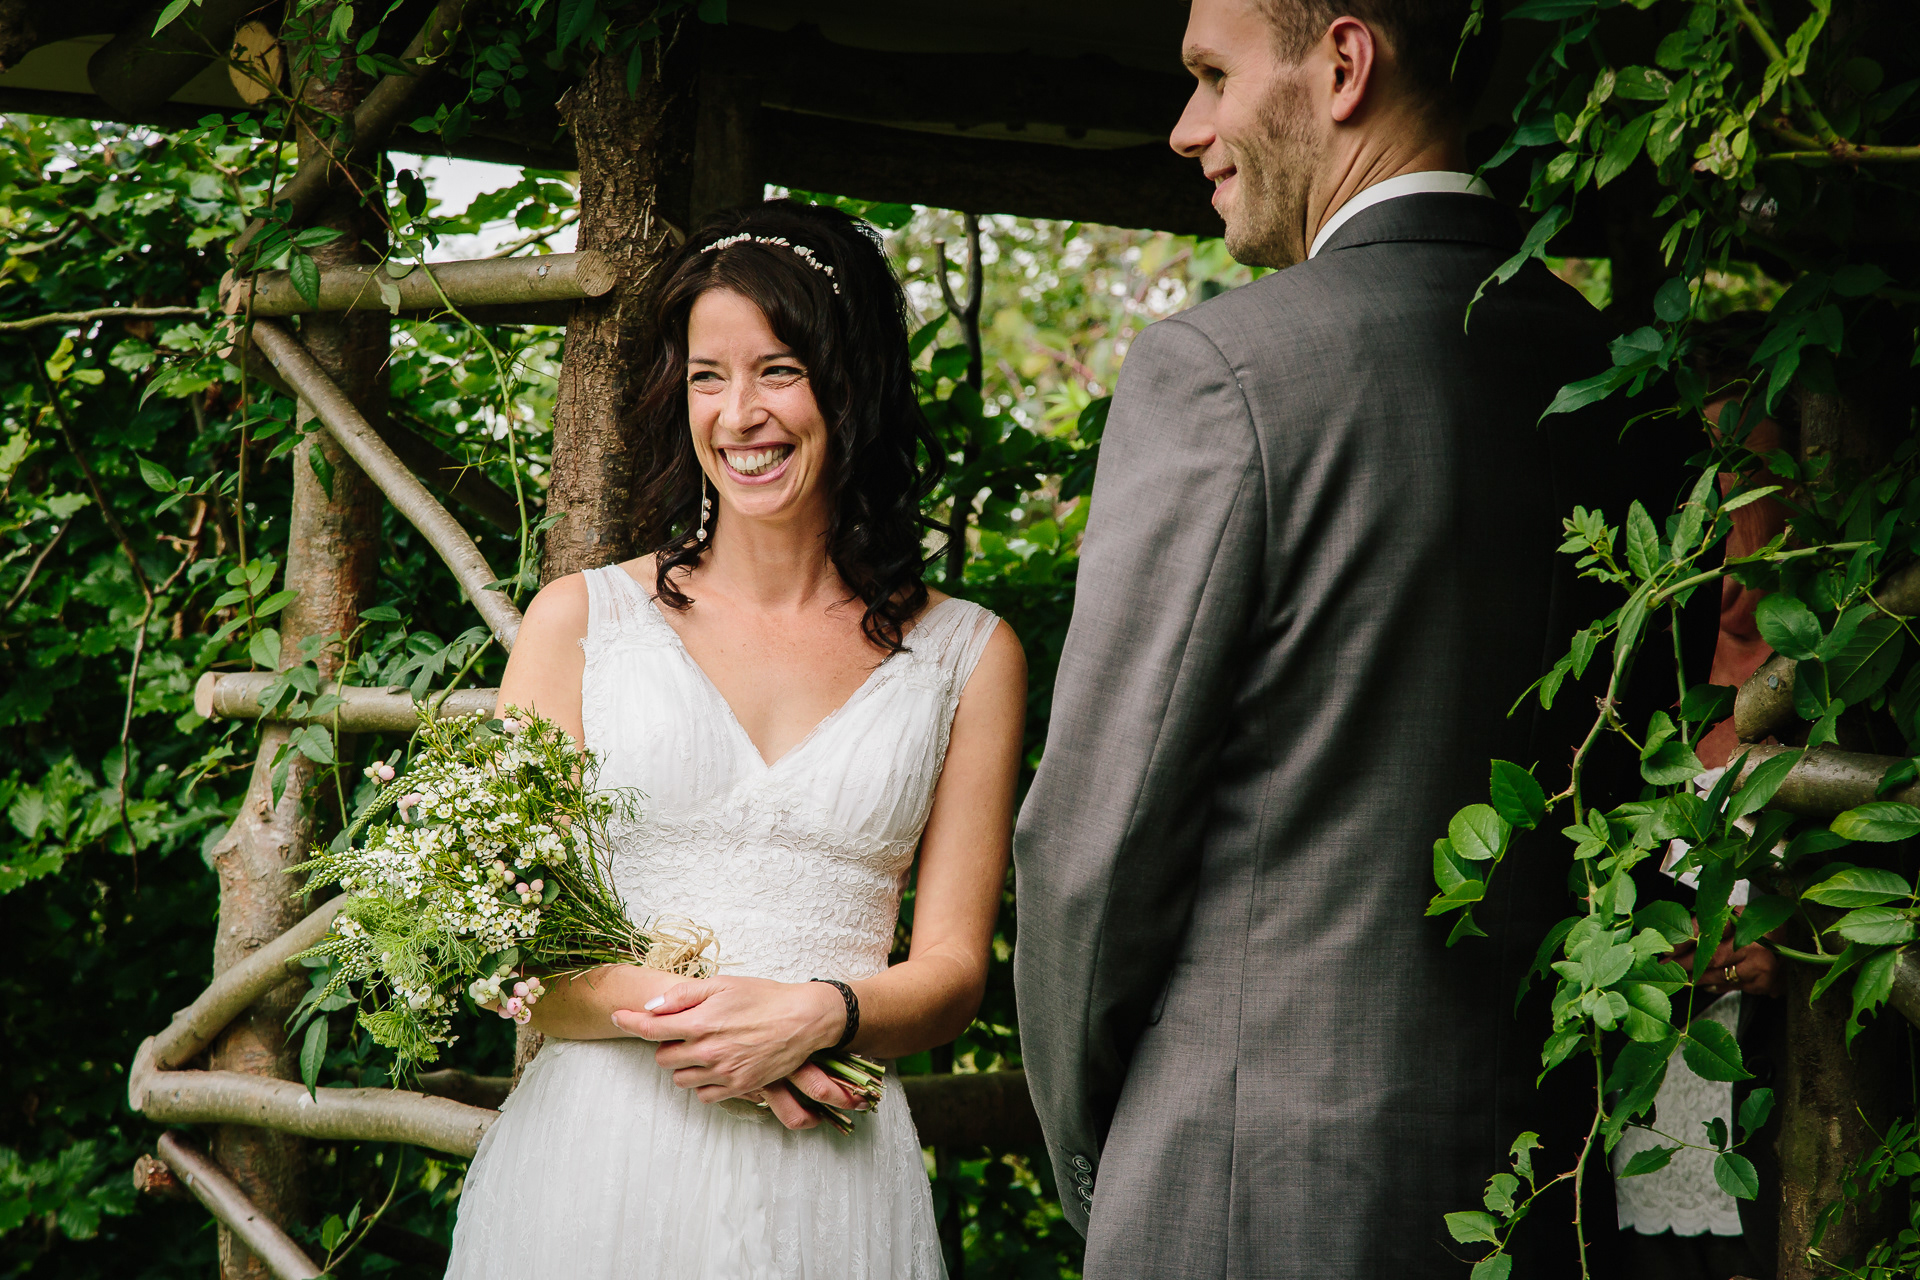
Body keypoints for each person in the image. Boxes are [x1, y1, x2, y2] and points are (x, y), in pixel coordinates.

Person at [1011, 0, 1657, 1275]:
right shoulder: (1617, 379)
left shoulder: (1224, 369)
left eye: (1213, 75)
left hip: (1242, 1187)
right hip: (1547, 1183)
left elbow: (1095, 843)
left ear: (1345, 64)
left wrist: (1100, 1154)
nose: (1186, 126)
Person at [444, 198, 1027, 1279]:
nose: (740, 414)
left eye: (779, 371)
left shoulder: (970, 655)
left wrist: (818, 1015)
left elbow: (952, 974)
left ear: (851, 385)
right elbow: (516, 947)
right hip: (600, 1165)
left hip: (830, 1176)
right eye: (708, 376)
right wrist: (742, 1034)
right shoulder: (580, 623)